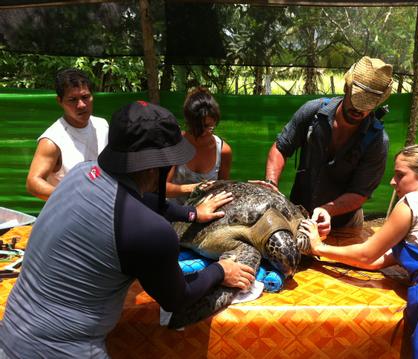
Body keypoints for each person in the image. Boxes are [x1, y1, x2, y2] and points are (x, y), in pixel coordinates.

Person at [0, 101, 255, 358]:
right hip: (65, 351)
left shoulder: (81, 173)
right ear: (157, 167)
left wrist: (192, 213)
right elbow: (178, 298)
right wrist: (220, 270)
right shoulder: (150, 231)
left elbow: (134, 202)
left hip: (9, 335)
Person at [299, 144, 418, 358]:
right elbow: (374, 261)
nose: (393, 182)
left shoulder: (414, 200)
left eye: (400, 175)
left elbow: (367, 254)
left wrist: (319, 246)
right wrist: (321, 252)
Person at [263, 56, 393, 235]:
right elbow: (281, 147)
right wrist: (271, 183)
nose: (359, 110)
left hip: (344, 224)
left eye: (367, 105)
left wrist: (328, 210)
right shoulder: (313, 111)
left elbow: (360, 193)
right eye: (356, 100)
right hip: (298, 215)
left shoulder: (377, 141)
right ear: (346, 88)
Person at [26, 68, 109, 201]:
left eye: (85, 97)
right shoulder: (53, 140)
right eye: (72, 100)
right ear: (60, 101)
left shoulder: (102, 126)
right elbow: (33, 183)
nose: (81, 105)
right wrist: (72, 198)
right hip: (70, 215)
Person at [167, 86, 232, 204]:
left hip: (206, 215)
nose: (204, 132)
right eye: (198, 127)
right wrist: (193, 188)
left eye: (209, 126)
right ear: (189, 123)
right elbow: (162, 188)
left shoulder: (223, 150)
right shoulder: (175, 144)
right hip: (174, 213)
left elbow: (223, 189)